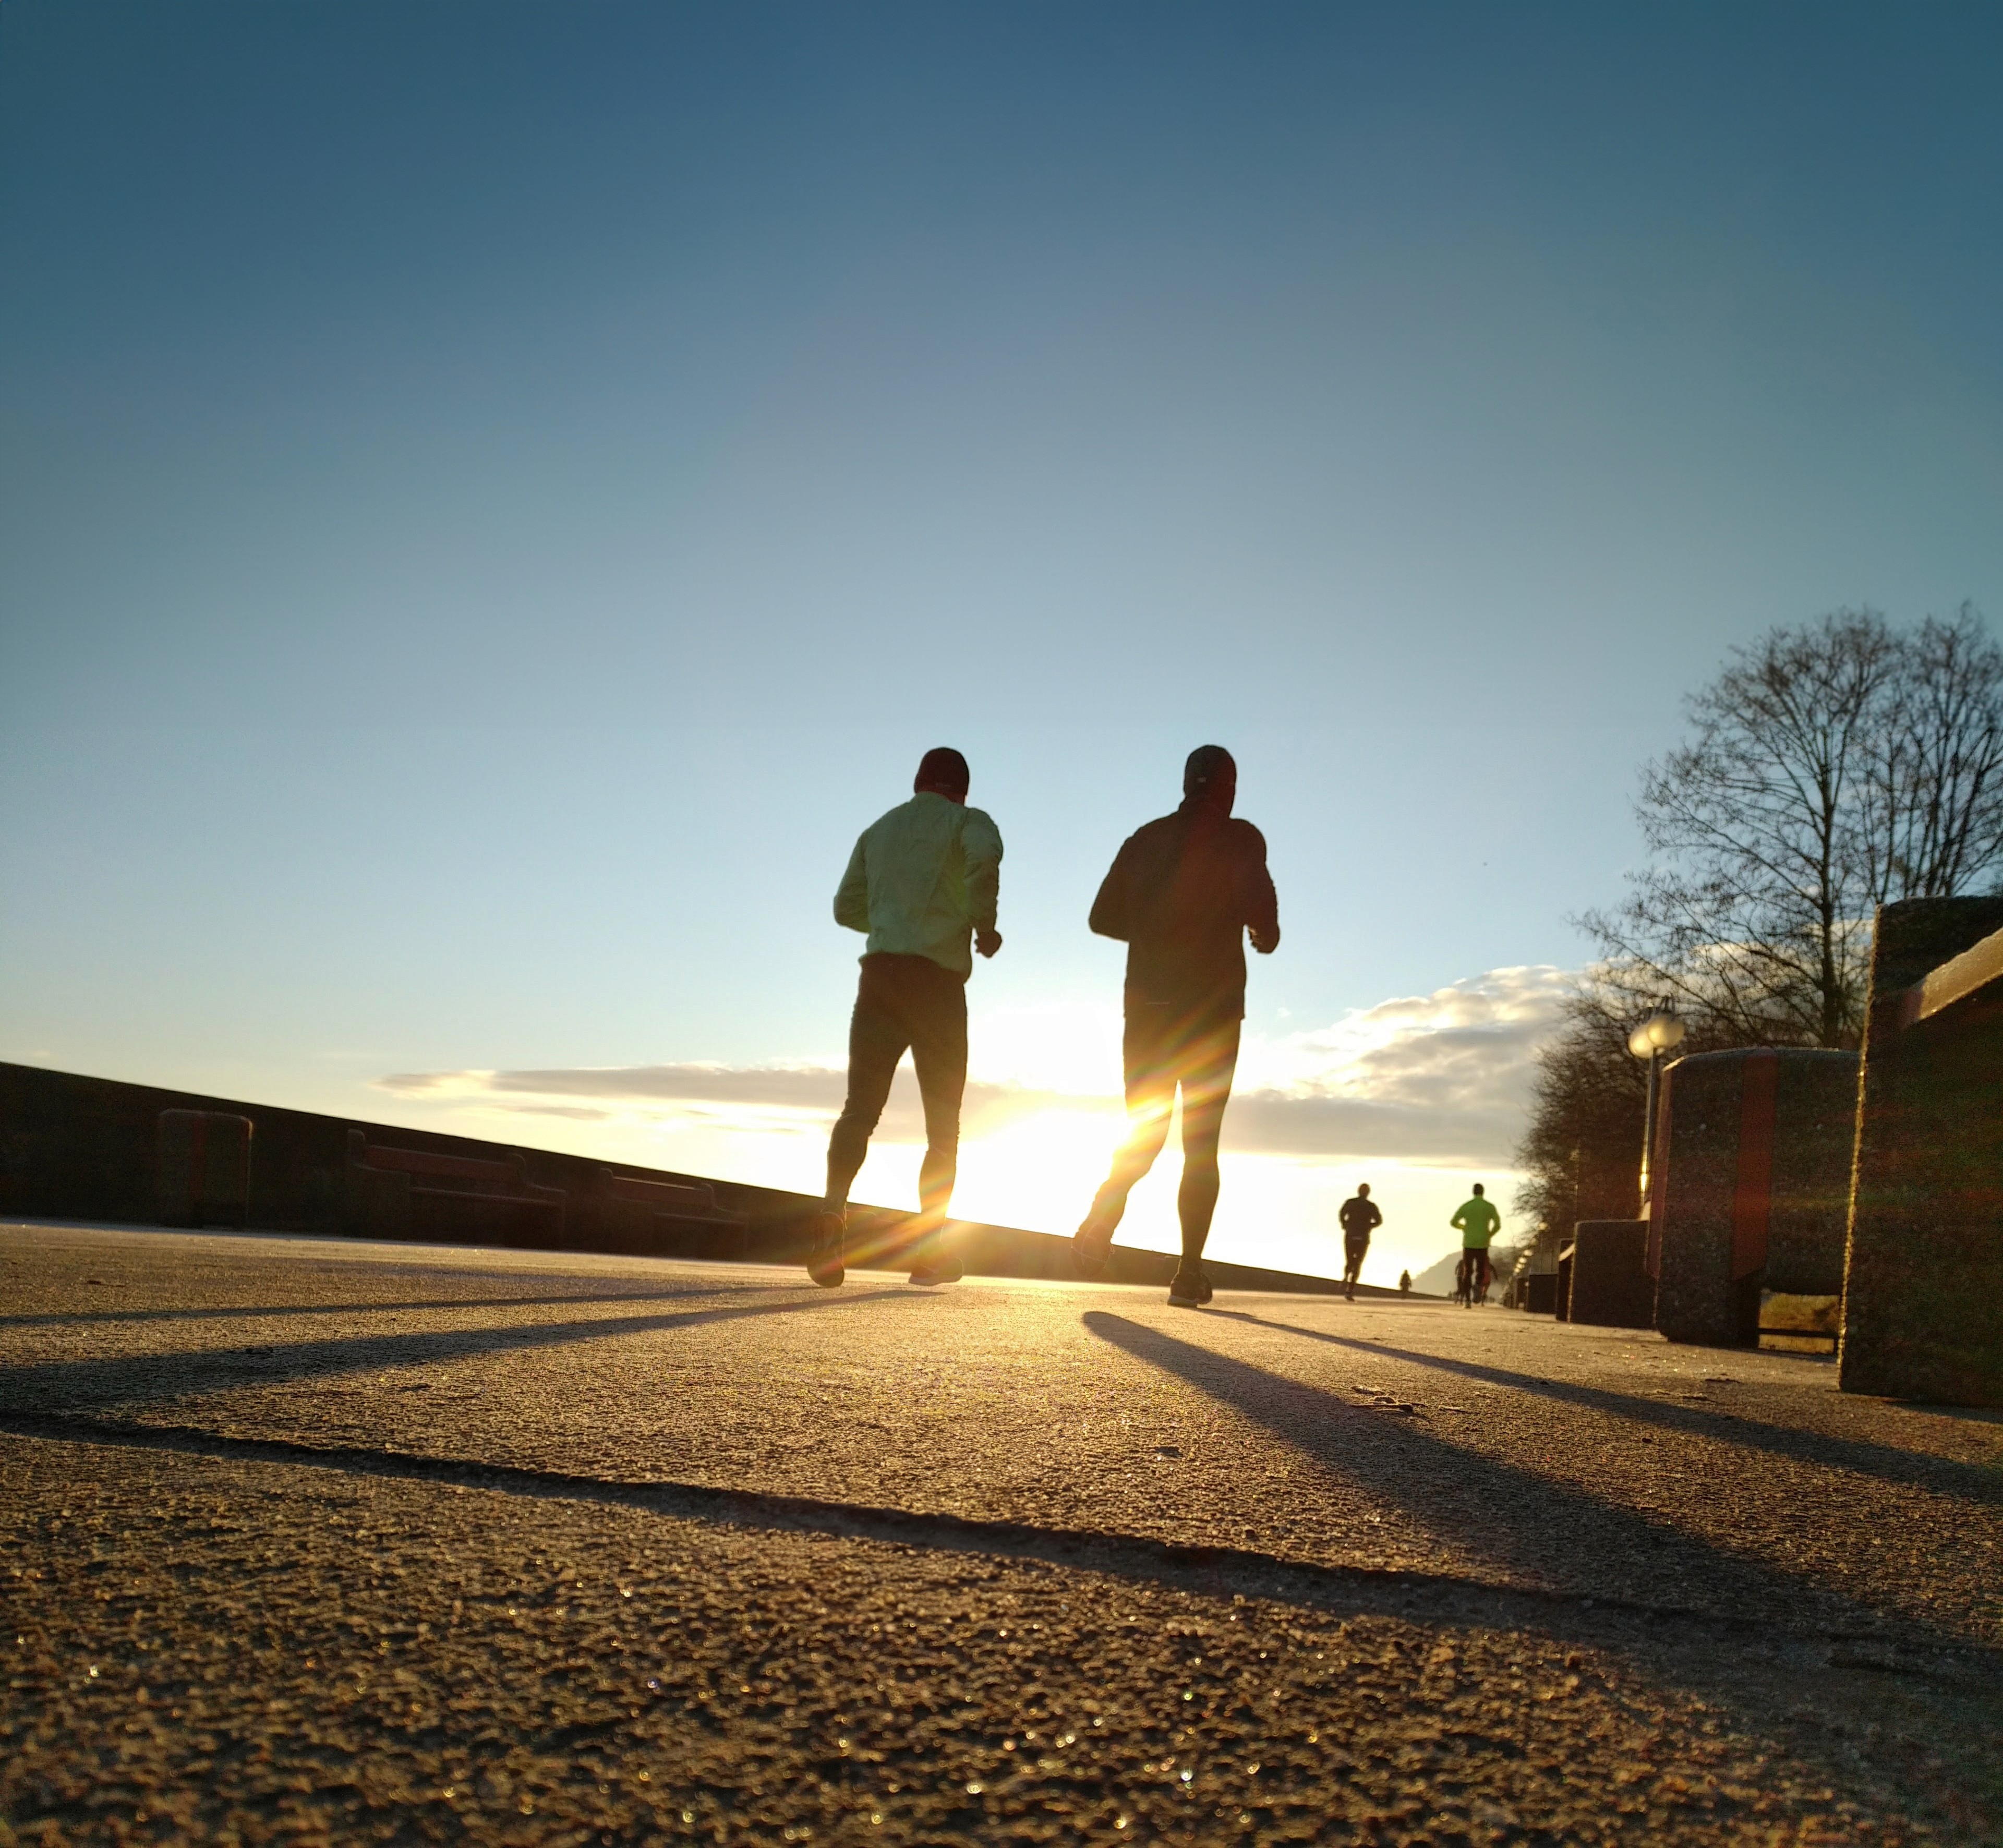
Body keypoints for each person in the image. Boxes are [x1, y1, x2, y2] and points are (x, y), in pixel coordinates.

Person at [1071, 745, 1280, 1308]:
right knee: (1200, 1145)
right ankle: (1188, 1274)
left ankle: (1103, 1212)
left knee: (1146, 1129)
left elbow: (1100, 918)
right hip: (1211, 1013)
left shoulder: (1143, 838)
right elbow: (1264, 916)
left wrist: (1154, 932)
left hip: (1147, 1010)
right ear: (1230, 789)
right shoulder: (1241, 839)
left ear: (1186, 783)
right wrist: (1263, 933)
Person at [804, 747, 1003, 1290]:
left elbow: (846, 908)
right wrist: (982, 924)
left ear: (918, 783)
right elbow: (984, 863)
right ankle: (929, 1252)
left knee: (859, 1111)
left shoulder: (880, 829)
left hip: (880, 980)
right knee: (943, 1130)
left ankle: (831, 1213)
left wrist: (894, 915)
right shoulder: (970, 823)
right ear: (963, 790)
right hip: (937, 987)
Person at [1450, 1182, 1501, 1305]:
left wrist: (1464, 1227)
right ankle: (1478, 1286)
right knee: (1481, 1271)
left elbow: (1453, 1222)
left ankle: (1467, 1300)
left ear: (1473, 1192)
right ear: (1483, 1192)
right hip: (1483, 1244)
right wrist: (1489, 1234)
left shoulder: (1467, 1206)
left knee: (1467, 1272)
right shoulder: (1490, 1207)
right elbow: (1498, 1225)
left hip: (1468, 1243)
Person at [1338, 1182, 1381, 1301]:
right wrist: (1370, 1226)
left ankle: (1346, 1276)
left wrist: (1345, 1224)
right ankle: (1350, 1290)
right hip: (1363, 1237)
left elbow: (1342, 1214)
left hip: (1350, 1235)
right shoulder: (1371, 1206)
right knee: (1358, 1264)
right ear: (1368, 1193)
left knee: (1350, 1260)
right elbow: (1379, 1221)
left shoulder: (1350, 1203)